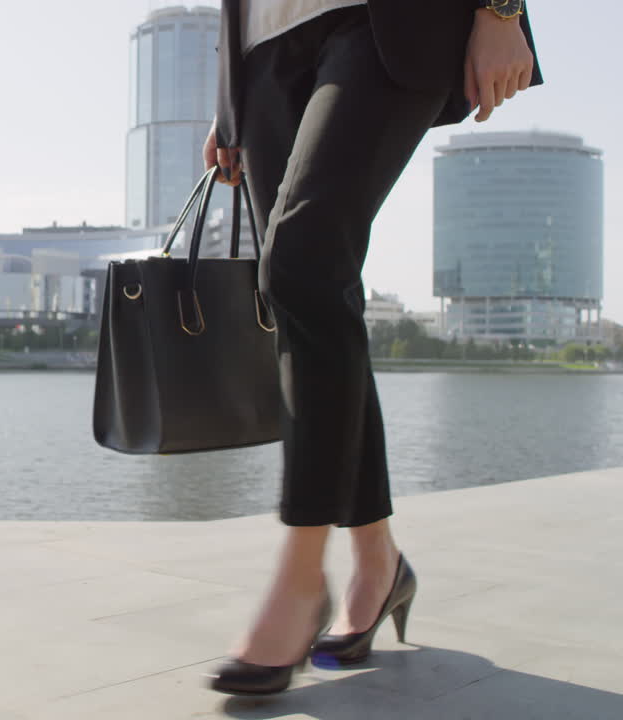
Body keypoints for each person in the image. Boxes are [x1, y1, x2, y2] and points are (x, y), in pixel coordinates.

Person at [203, 0, 541, 695]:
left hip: (384, 22)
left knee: (297, 264)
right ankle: (378, 562)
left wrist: (502, 10)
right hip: (264, 49)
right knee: (316, 296)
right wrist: (228, 99)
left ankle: (301, 582)